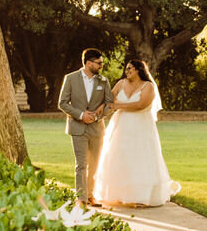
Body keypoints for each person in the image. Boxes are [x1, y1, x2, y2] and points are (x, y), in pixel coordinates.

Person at [92, 58, 180, 207]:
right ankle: (119, 194)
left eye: (130, 69)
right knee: (119, 157)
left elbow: (140, 105)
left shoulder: (148, 86)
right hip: (121, 126)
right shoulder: (121, 84)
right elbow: (109, 100)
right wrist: (101, 108)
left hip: (141, 126)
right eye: (126, 69)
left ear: (139, 70)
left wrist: (117, 105)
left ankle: (142, 197)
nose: (127, 72)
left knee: (141, 158)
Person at [57, 48, 113, 206]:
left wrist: (96, 116)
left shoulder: (104, 81)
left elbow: (110, 104)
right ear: (89, 63)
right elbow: (62, 103)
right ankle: (81, 198)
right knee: (81, 164)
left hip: (96, 128)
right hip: (77, 128)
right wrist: (81, 115)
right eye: (99, 63)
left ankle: (91, 195)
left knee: (94, 164)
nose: (101, 66)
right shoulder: (70, 78)